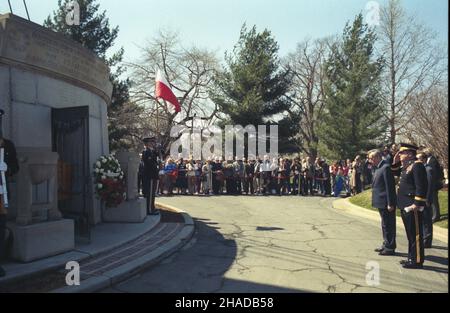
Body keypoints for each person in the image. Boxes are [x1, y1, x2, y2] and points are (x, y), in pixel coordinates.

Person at [391, 143, 428, 269]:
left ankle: (417, 260)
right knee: (410, 234)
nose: (399, 154)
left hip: (412, 206)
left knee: (416, 234)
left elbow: (421, 187)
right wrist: (395, 161)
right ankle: (411, 257)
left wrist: (417, 204)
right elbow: (394, 172)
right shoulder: (407, 166)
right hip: (405, 205)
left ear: (410, 154)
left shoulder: (417, 166)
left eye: (402, 152)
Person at [1, 109, 20, 277]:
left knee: (0, 227)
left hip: (1, 194)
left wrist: (7, 169)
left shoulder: (7, 145)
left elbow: (16, 167)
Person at [368, 149, 397, 256]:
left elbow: (389, 187)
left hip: (386, 202)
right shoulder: (379, 168)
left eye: (371, 158)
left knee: (389, 225)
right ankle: (386, 244)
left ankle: (390, 247)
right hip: (380, 201)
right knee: (384, 224)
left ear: (377, 157)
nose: (370, 160)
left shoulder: (386, 168)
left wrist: (390, 203)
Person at [417, 152, 434, 248]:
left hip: (426, 199)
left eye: (419, 158)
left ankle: (427, 241)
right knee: (422, 219)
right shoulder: (421, 169)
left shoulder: (428, 169)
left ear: (423, 159)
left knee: (427, 220)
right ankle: (423, 238)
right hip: (421, 198)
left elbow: (430, 185)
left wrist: (427, 199)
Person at [422, 148, 443, 222]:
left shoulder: (433, 160)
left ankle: (435, 216)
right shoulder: (429, 159)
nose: (424, 154)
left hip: (434, 184)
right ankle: (434, 215)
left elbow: (433, 173)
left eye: (425, 153)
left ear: (428, 153)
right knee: (432, 200)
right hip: (431, 184)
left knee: (434, 201)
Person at [141, 137, 160, 215]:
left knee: (152, 193)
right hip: (149, 175)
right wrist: (156, 166)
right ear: (147, 143)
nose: (153, 143)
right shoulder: (146, 152)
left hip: (152, 175)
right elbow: (149, 163)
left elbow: (157, 155)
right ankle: (149, 210)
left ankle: (151, 207)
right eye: (151, 142)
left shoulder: (151, 151)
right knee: (149, 193)